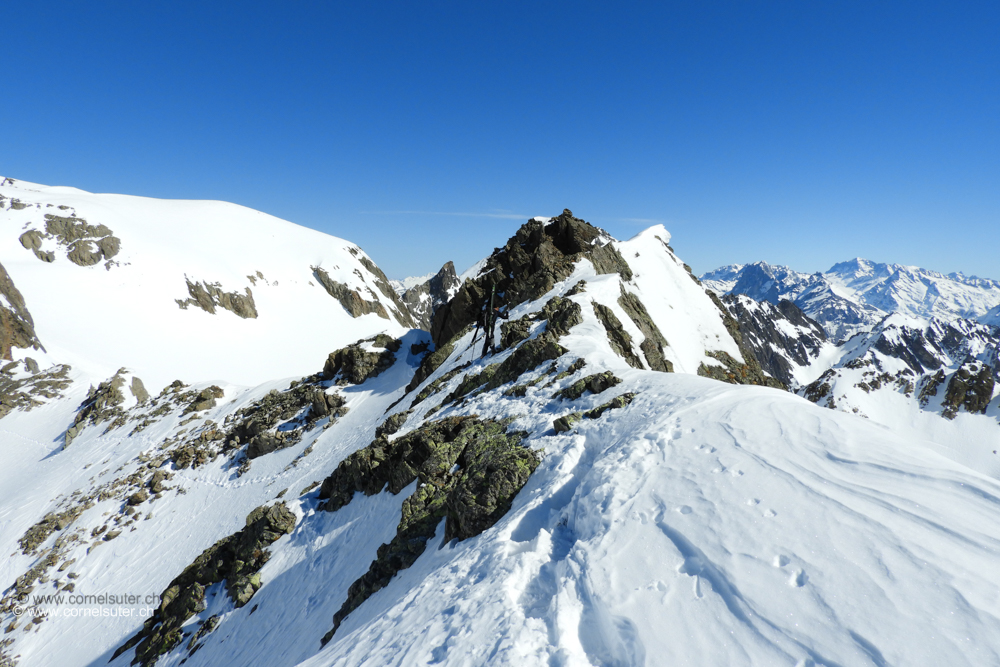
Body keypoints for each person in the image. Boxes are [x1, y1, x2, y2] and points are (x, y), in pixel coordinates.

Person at [477, 286, 508, 357]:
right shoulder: (496, 312)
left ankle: (483, 353)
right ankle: (493, 351)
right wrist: (507, 313)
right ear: (496, 307)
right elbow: (505, 317)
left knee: (487, 339)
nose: (498, 308)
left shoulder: (487, 310)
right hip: (490, 327)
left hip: (486, 327)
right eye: (497, 307)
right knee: (491, 337)